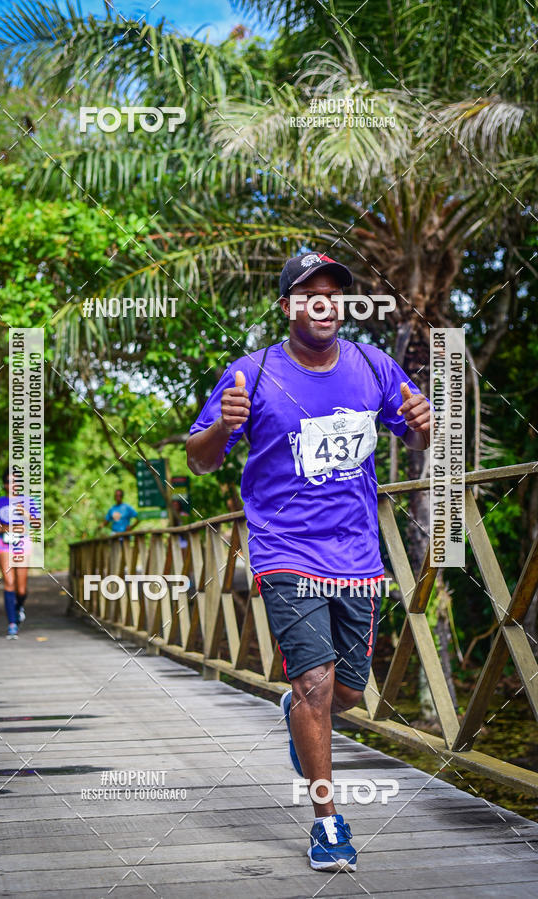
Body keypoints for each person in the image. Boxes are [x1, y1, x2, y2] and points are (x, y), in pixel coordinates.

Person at [185, 252, 431, 873]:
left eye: (333, 293)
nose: (322, 301)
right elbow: (199, 459)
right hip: (284, 549)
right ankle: (327, 821)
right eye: (307, 293)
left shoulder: (374, 366)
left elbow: (418, 435)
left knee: (346, 690)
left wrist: (428, 427)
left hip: (356, 554)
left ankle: (300, 716)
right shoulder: (252, 372)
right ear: (288, 305)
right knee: (314, 683)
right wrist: (222, 430)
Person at [0, 469, 34, 639]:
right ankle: (12, 624)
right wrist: (2, 527)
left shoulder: (28, 500)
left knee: (21, 588)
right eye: (9, 482)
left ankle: (19, 606)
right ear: (4, 484)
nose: (12, 485)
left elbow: (36, 523)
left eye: (15, 482)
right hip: (5, 544)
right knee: (9, 583)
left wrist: (24, 514)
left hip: (22, 543)